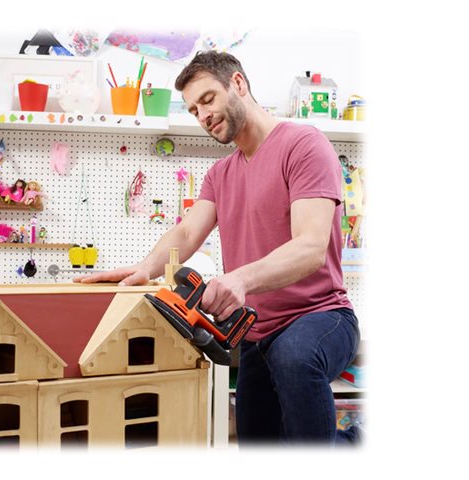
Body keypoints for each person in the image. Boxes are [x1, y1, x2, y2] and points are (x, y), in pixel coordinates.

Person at [74, 51, 360, 446]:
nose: (203, 116)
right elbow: (187, 232)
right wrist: (145, 268)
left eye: (208, 99)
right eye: (194, 110)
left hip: (321, 316)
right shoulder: (220, 174)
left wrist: (239, 279)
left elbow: (310, 247)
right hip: (258, 333)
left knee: (294, 359)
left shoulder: (303, 145)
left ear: (238, 84)